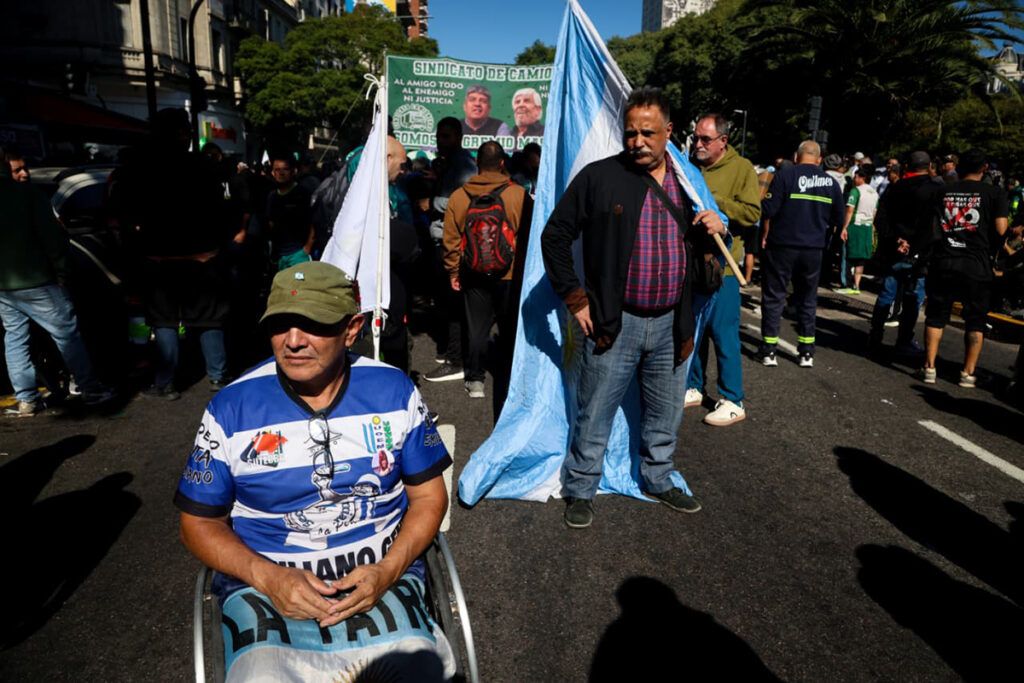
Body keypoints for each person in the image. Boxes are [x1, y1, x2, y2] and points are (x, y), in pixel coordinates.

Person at [175, 261, 454, 681]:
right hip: (265, 589)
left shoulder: (394, 390)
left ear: (351, 328)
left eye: (313, 324)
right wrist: (268, 577)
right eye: (281, 325)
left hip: (383, 578)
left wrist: (387, 571)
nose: (293, 341)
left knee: (417, 667)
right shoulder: (230, 408)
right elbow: (198, 522)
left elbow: (430, 498)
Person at [542, 86, 726, 528]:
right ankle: (581, 487)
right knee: (596, 411)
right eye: (630, 133)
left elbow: (720, 241)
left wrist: (719, 225)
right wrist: (575, 298)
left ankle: (658, 478)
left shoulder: (688, 181)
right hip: (614, 322)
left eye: (648, 133)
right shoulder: (599, 177)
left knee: (665, 412)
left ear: (669, 131)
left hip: (671, 323)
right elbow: (555, 236)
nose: (637, 142)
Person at [112, 107, 230, 398]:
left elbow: (124, 213)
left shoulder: (140, 168)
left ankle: (166, 382)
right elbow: (221, 211)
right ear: (179, 133)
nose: (190, 135)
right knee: (207, 319)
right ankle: (218, 375)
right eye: (187, 130)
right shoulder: (203, 166)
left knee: (164, 320)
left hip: (159, 258)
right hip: (200, 257)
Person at [0, 158, 114, 415]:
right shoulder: (27, 195)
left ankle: (26, 399)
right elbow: (53, 237)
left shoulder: (23, 194)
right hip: (38, 280)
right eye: (17, 169)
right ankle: (89, 388)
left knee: (16, 339)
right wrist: (62, 271)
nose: (25, 173)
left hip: (6, 286)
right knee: (67, 334)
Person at [684, 113, 760, 426]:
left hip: (723, 267)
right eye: (697, 138)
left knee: (723, 332)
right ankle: (693, 386)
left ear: (723, 141)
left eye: (706, 139)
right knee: (694, 329)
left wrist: (715, 202)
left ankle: (732, 398)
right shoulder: (690, 166)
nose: (699, 144)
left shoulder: (741, 168)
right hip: (691, 263)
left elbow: (752, 212)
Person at [442, 141, 532, 400]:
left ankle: (475, 380)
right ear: (502, 163)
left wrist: (452, 271)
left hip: (473, 272)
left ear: (478, 164)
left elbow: (450, 240)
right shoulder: (518, 195)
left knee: (477, 327)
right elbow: (527, 237)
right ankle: (510, 377)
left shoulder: (460, 196)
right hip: (510, 273)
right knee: (510, 327)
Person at [920, 149, 1008, 387]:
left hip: (944, 259)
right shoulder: (995, 193)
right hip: (977, 263)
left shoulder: (942, 191)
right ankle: (967, 373)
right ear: (985, 169)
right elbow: (1001, 229)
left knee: (936, 315)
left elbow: (930, 226)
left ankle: (929, 366)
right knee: (975, 320)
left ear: (959, 168)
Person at [759, 140, 844, 368]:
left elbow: (768, 209)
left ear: (796, 157)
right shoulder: (831, 183)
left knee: (775, 296)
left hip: (783, 246)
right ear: (818, 160)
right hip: (814, 249)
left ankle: (769, 349)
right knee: (808, 299)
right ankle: (806, 351)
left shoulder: (786, 176)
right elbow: (839, 217)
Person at [867, 151, 944, 356]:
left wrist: (896, 240)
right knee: (913, 298)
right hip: (921, 252)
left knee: (887, 293)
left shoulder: (895, 189)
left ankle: (876, 332)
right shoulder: (936, 190)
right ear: (929, 167)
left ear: (907, 167)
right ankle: (904, 339)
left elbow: (881, 220)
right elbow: (935, 225)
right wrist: (916, 245)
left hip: (896, 249)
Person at [423, 118, 476, 382]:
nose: (440, 141)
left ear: (459, 137)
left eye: (445, 136)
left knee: (454, 303)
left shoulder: (464, 165)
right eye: (438, 136)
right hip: (442, 241)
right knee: (445, 303)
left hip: (452, 243)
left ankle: (457, 361)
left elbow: (465, 202)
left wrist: (431, 202)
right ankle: (452, 353)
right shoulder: (449, 163)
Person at [266, 153, 315, 271]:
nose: (281, 173)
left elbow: (314, 223)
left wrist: (307, 249)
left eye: (285, 169)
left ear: (294, 171)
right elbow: (270, 223)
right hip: (279, 257)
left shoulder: (303, 193)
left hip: (298, 255)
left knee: (299, 288)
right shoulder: (272, 196)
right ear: (272, 173)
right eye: (277, 170)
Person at [836, 164, 879, 295]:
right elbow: (874, 212)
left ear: (862, 177)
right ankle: (856, 285)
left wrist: (844, 227)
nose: (854, 178)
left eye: (856, 175)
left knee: (848, 255)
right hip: (867, 227)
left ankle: (847, 283)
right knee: (861, 258)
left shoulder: (856, 191)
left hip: (855, 225)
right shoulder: (875, 193)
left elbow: (850, 210)